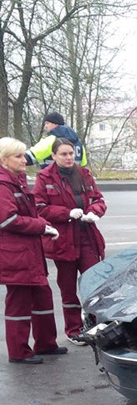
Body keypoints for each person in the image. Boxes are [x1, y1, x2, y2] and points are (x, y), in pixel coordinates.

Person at [34, 137, 106, 344]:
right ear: (54, 155)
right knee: (68, 288)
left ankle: (96, 324)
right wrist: (66, 213)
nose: (68, 157)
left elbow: (98, 199)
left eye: (71, 153)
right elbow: (39, 208)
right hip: (63, 240)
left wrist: (94, 212)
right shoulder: (45, 178)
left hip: (87, 237)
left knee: (94, 284)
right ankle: (74, 329)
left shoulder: (83, 174)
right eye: (63, 154)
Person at [0, 137, 66, 363]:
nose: (24, 160)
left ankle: (46, 344)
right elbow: (7, 220)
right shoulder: (3, 185)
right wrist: (40, 226)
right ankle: (18, 352)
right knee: (19, 303)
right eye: (18, 156)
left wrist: (44, 225)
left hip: (29, 253)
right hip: (15, 256)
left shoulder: (16, 181)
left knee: (43, 297)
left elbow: (29, 213)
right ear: (4, 160)